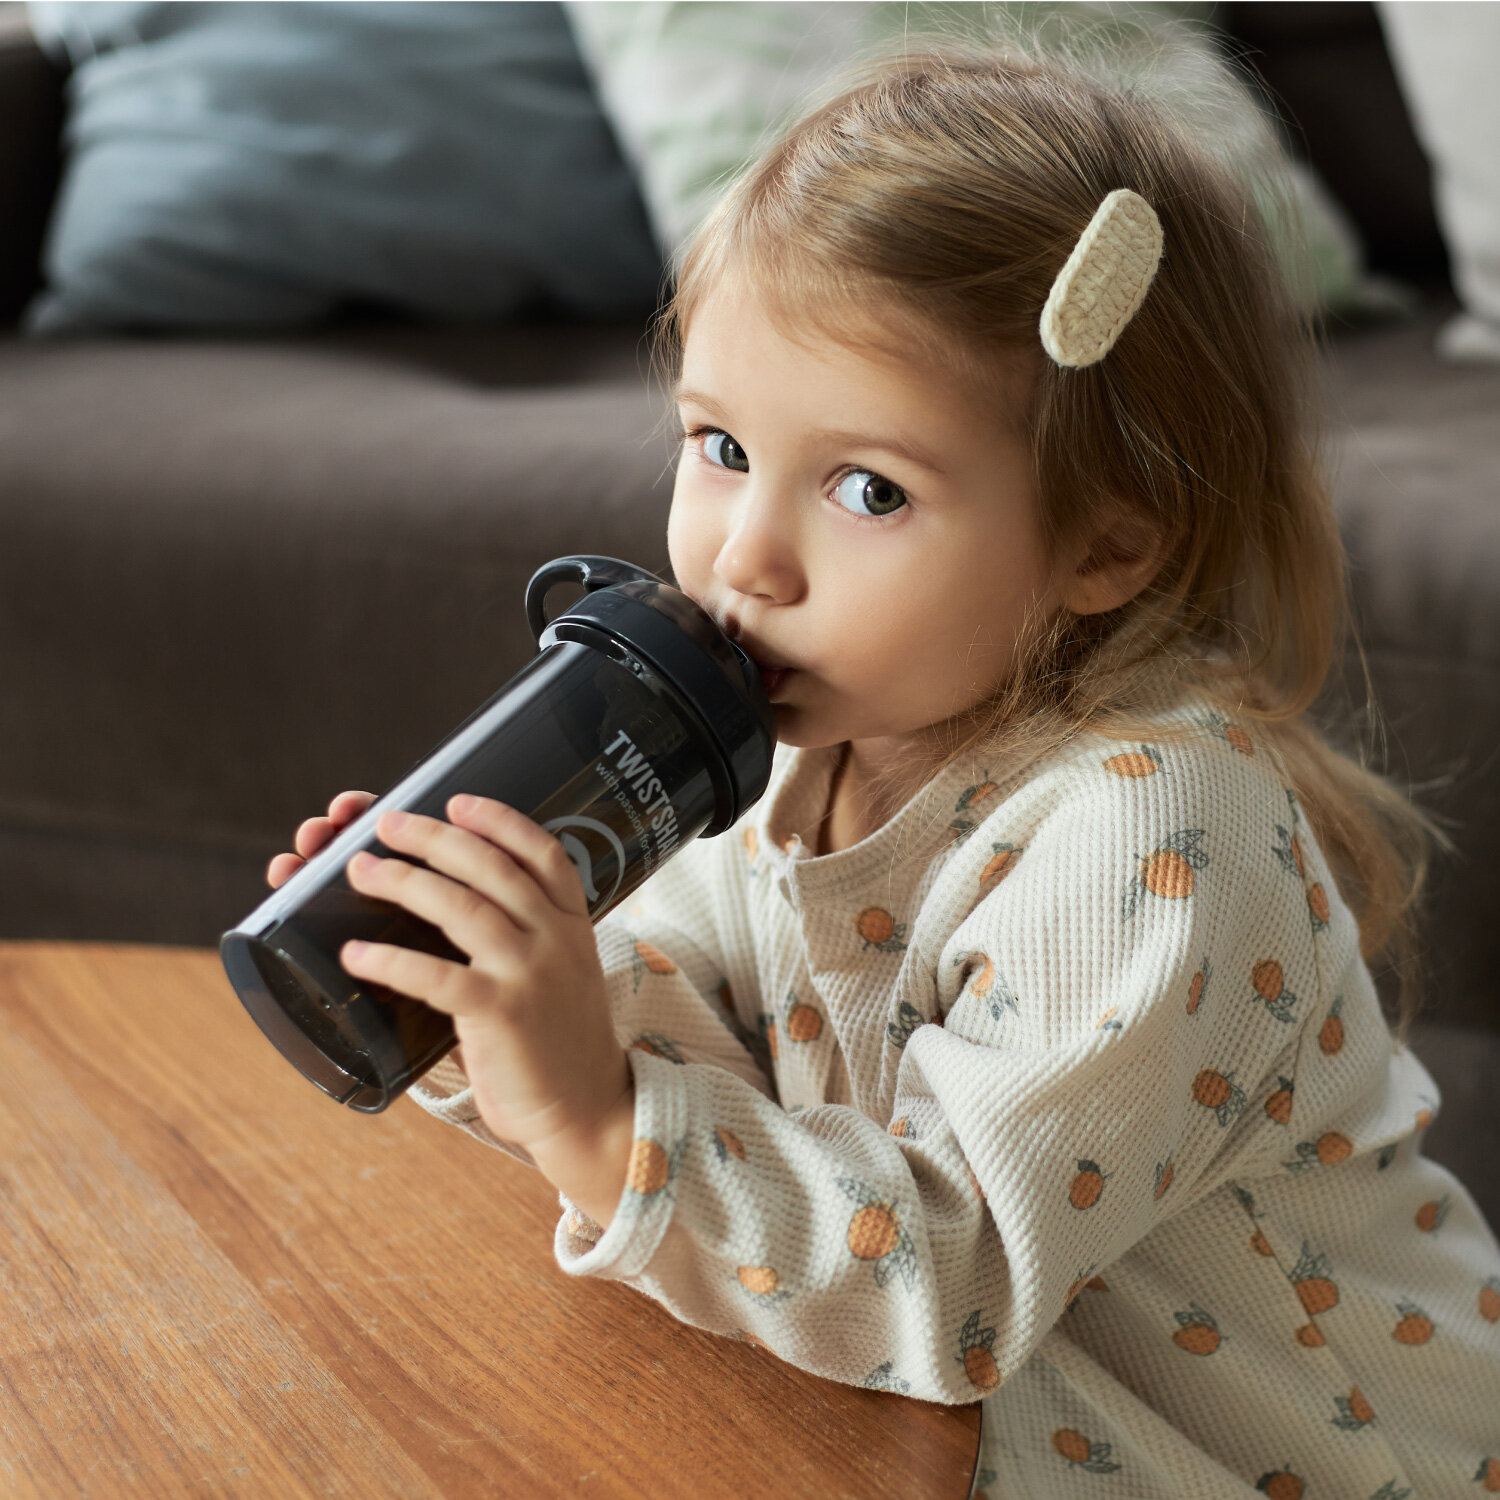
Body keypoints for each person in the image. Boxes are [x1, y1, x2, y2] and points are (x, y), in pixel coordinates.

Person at [266, 24, 1500, 1495]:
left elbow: (950, 1278)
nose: (747, 558)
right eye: (721, 448)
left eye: (867, 489)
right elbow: (698, 1025)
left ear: (1108, 541)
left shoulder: (1157, 831)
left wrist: (600, 1119)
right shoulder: (794, 741)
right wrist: (510, 991)